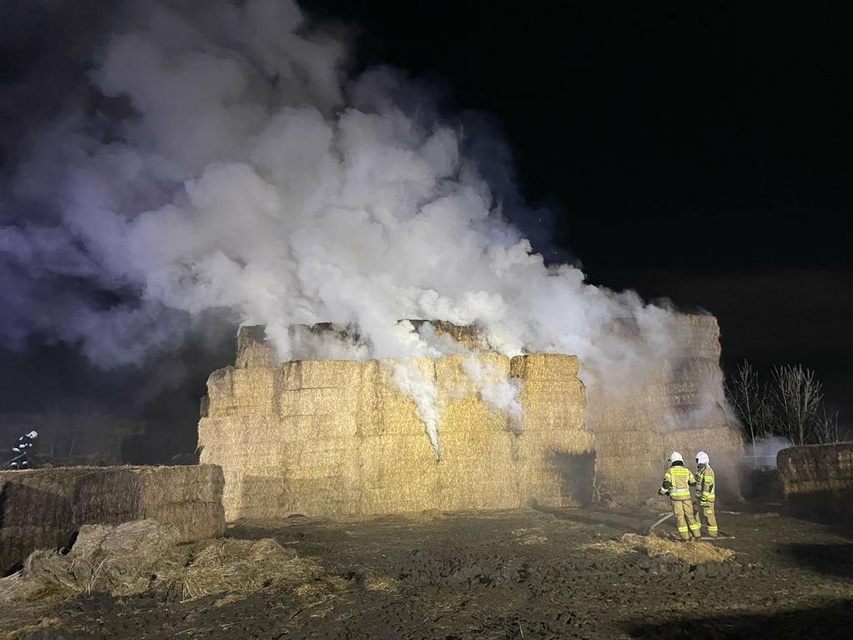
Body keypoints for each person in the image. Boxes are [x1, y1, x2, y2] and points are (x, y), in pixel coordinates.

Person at [658, 451, 701, 541]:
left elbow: (666, 485)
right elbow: (693, 483)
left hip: (676, 499)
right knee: (690, 516)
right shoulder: (686, 471)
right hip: (686, 498)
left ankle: (685, 538)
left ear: (672, 461)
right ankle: (697, 536)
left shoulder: (670, 471)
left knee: (680, 517)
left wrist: (662, 492)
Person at [695, 450, 718, 538]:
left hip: (707, 499)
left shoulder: (708, 471)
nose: (697, 463)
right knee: (697, 514)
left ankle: (713, 534)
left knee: (708, 514)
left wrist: (704, 499)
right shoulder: (702, 471)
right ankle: (696, 532)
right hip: (700, 498)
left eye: (698, 460)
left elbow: (707, 486)